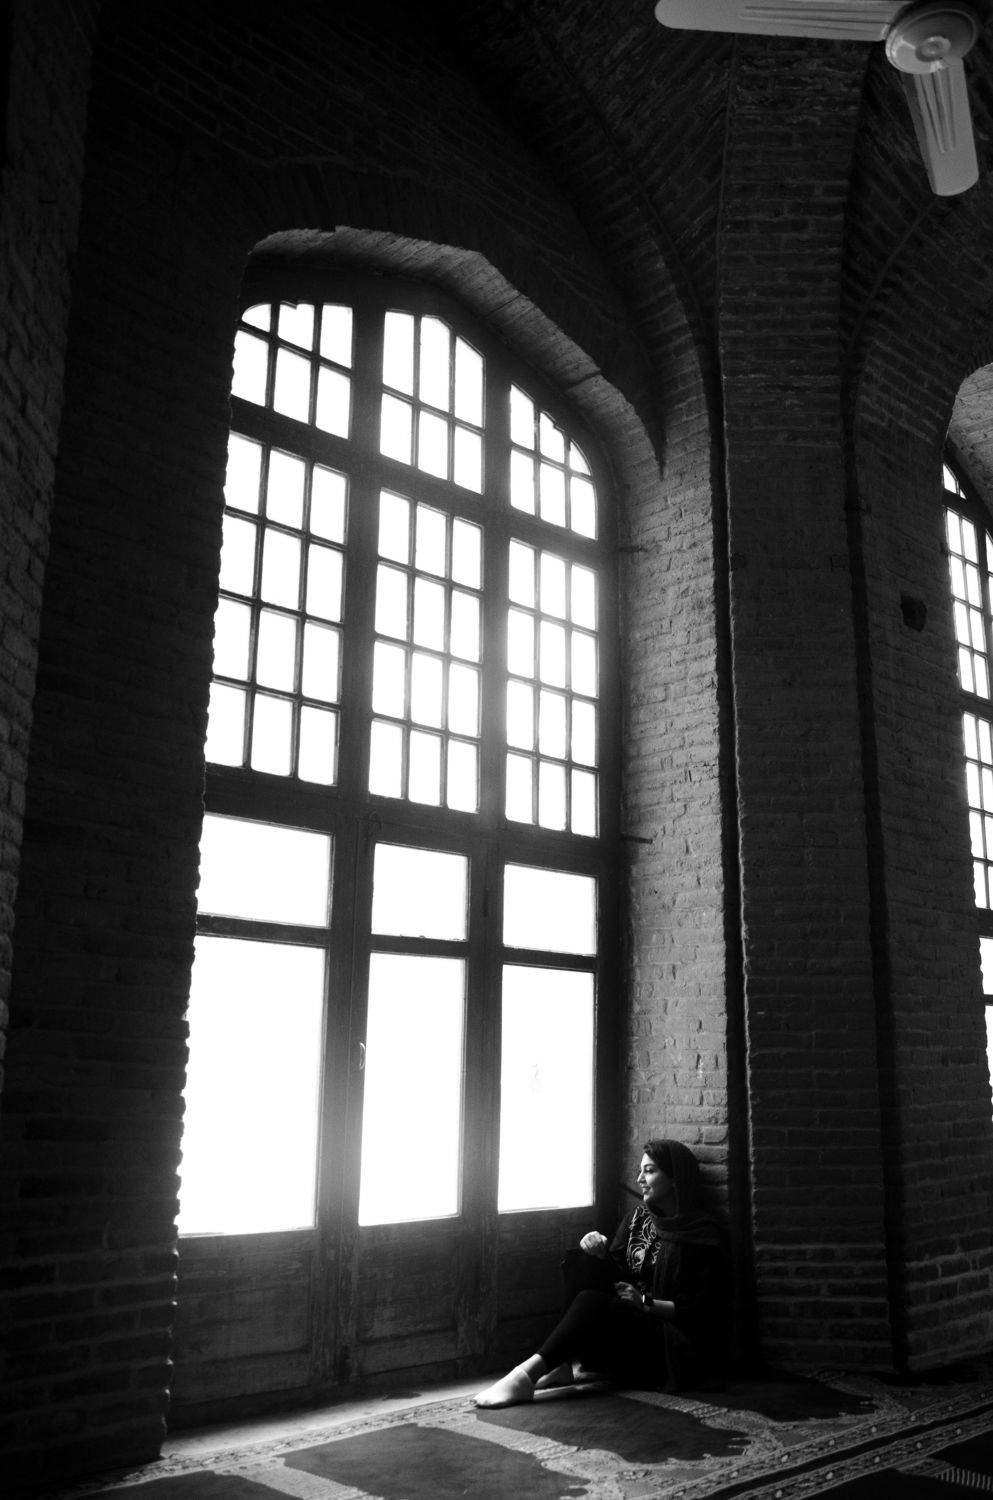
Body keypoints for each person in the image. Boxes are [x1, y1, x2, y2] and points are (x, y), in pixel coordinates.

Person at [474, 1138, 731, 1407]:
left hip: (667, 1346)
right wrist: (597, 1250)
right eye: (640, 1170)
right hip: (629, 1326)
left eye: (649, 1171)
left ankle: (525, 1376)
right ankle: (560, 1365)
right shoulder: (639, 1218)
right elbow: (617, 1271)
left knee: (591, 1301)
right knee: (582, 1261)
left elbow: (703, 1313)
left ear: (675, 1179)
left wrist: (645, 1302)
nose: (639, 1179)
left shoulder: (701, 1235)